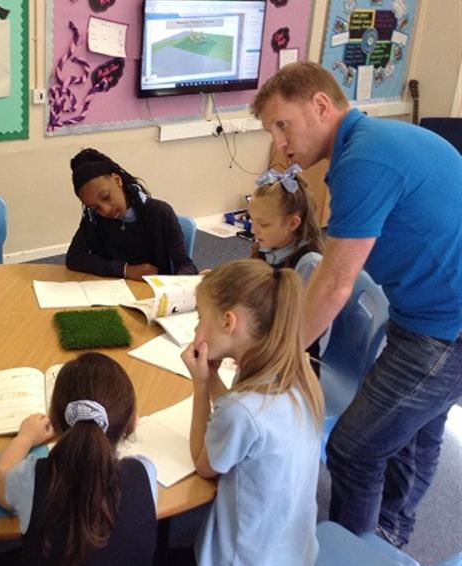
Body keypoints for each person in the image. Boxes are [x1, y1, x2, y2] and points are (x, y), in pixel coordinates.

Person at [252, 61, 461, 547]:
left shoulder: (363, 162)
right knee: (415, 432)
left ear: (322, 105)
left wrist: (271, 363)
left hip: (444, 329)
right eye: (272, 131)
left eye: (283, 125)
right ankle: (388, 535)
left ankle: (353, 549)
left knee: (353, 448)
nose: (280, 144)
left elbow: (333, 285)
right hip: (422, 313)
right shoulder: (383, 141)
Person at [183, 259, 324, 566]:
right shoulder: (295, 373)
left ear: (228, 322)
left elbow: (204, 464)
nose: (195, 328)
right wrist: (214, 379)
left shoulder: (241, 409)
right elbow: (243, 415)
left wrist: (201, 386)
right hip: (293, 551)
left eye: (199, 316)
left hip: (243, 558)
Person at [0, 352, 158, 565]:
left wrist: (26, 437)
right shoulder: (144, 472)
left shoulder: (31, 480)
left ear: (55, 423)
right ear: (132, 424)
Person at [65, 148, 197, 280]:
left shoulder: (159, 213)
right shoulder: (93, 219)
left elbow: (185, 265)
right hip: (113, 291)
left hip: (153, 292)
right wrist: (125, 270)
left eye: (106, 197)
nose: (105, 210)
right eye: (95, 207)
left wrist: (178, 283)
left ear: (117, 180)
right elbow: (74, 258)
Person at [248, 164, 328, 369]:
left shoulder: (308, 264)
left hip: (295, 362)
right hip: (263, 342)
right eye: (252, 221)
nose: (254, 230)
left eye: (263, 224)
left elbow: (299, 329)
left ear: (293, 223)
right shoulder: (268, 248)